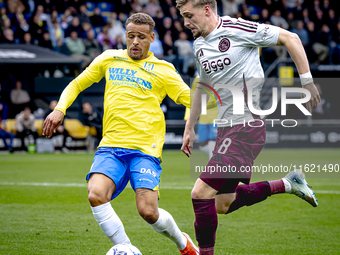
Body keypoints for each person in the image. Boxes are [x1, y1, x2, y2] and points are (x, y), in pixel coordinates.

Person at [43, 13, 198, 255]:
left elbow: (193, 100)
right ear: (125, 36)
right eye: (131, 36)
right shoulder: (108, 59)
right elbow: (76, 83)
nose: (135, 42)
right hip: (111, 146)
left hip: (145, 150)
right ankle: (125, 248)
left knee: (148, 211)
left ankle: (183, 243)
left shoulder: (163, 69)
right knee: (95, 194)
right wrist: (59, 109)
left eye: (141, 37)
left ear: (152, 38)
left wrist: (189, 127)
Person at [176, 1, 321, 254]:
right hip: (225, 129)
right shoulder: (199, 44)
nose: (185, 23)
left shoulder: (237, 28)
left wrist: (307, 83)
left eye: (189, 16)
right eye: (183, 17)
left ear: (207, 9)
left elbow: (291, 37)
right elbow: (202, 86)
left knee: (200, 193)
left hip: (246, 126)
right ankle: (288, 184)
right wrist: (190, 127)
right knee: (223, 203)